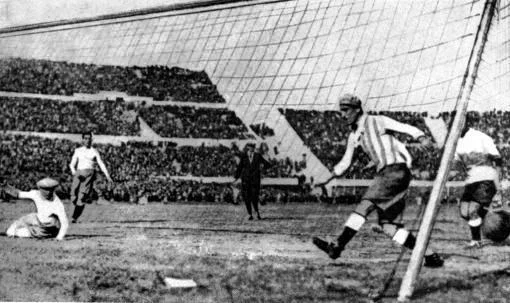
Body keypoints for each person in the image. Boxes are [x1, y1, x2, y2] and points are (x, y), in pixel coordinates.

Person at [312, 94, 443, 268]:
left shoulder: (376, 120)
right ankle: (430, 256)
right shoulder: (354, 136)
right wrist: (325, 179)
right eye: (341, 111)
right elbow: (345, 163)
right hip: (391, 174)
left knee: (364, 205)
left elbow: (403, 127)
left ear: (357, 109)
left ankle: (337, 246)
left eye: (346, 110)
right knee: (388, 227)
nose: (343, 115)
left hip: (394, 170)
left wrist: (421, 136)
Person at [451, 122, 503, 248]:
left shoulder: (480, 136)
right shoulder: (455, 141)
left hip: (486, 178)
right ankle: (495, 220)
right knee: (464, 213)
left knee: (473, 210)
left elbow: (497, 158)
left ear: (462, 121)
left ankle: (476, 241)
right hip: (471, 181)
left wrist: (498, 182)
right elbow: (455, 165)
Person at [4, 177, 69, 240]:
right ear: (40, 188)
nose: (48, 192)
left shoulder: (57, 203)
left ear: (53, 189)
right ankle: (10, 230)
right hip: (37, 218)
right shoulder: (36, 194)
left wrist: (59, 237)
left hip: (47, 228)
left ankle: (16, 232)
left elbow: (64, 223)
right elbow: (19, 194)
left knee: (24, 233)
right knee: (20, 222)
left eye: (50, 189)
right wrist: (5, 186)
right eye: (45, 189)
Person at [69, 132, 113, 223]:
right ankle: (76, 212)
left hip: (89, 175)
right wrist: (74, 173)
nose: (87, 140)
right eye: (85, 138)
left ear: (91, 140)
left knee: (81, 197)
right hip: (78, 174)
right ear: (82, 140)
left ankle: (74, 217)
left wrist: (107, 176)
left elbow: (101, 163)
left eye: (89, 138)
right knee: (73, 196)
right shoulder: (78, 150)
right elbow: (71, 165)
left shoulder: (94, 151)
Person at [233, 142, 270, 220]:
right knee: (246, 197)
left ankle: (256, 212)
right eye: (250, 147)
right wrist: (236, 177)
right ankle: (249, 214)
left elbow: (266, 164)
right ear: (248, 148)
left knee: (254, 196)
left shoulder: (257, 156)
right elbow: (240, 167)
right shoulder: (243, 156)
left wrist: (264, 168)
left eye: (253, 147)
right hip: (246, 179)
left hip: (255, 179)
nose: (251, 149)